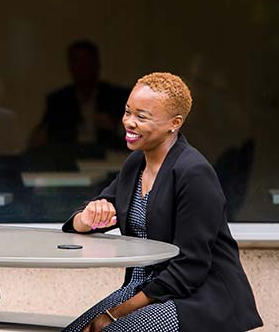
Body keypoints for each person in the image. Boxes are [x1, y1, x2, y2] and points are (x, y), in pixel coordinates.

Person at [61, 72, 262, 332]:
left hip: (196, 298)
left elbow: (190, 267)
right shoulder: (136, 163)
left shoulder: (194, 173)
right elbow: (86, 219)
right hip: (146, 288)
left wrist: (114, 315)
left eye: (142, 117)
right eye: (127, 112)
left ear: (174, 123)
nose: (129, 122)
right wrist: (87, 218)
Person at [27, 40, 129, 168]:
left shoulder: (116, 96)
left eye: (86, 62)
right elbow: (43, 135)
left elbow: (138, 135)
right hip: (70, 163)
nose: (81, 68)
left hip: (111, 162)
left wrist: (116, 126)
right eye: (76, 62)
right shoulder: (59, 100)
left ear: (97, 65)